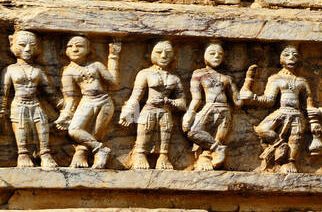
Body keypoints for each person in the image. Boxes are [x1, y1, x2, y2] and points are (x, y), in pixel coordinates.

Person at [241, 45, 319, 172]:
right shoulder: (275, 79)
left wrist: (315, 123)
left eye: (295, 55)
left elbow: (309, 105)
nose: (291, 58)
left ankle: (290, 161)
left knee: (296, 137)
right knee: (262, 129)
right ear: (280, 59)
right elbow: (269, 100)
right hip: (282, 111)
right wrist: (253, 97)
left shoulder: (302, 81)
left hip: (296, 114)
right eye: (287, 55)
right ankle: (280, 145)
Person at [183, 43, 255, 169]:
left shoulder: (227, 77)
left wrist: (248, 82)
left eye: (220, 54)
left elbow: (238, 102)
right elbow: (197, 99)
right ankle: (217, 149)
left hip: (225, 112)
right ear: (204, 55)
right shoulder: (198, 74)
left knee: (215, 140)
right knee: (192, 132)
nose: (216, 56)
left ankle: (211, 155)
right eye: (212, 53)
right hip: (209, 108)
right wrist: (190, 113)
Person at [119, 41, 186, 171]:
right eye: (159, 52)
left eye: (168, 53)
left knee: (166, 128)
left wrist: (170, 102)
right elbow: (136, 96)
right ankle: (139, 154)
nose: (163, 56)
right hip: (148, 109)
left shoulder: (174, 78)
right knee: (145, 128)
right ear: (149, 54)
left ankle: (163, 156)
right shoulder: (145, 73)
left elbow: (183, 103)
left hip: (165, 110)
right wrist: (128, 113)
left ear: (174, 56)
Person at [57, 36, 121, 169]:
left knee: (95, 133)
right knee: (74, 130)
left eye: (79, 46)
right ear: (65, 50)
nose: (74, 49)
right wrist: (66, 114)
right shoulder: (68, 72)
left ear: (88, 49)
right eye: (70, 46)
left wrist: (113, 57)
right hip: (86, 101)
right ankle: (100, 149)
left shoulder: (96, 65)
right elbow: (70, 97)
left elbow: (113, 82)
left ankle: (86, 154)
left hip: (104, 101)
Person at [2, 30, 59, 170]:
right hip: (19, 104)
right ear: (11, 43)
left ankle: (45, 154)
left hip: (35, 104)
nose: (28, 49)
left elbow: (50, 92)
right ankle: (23, 154)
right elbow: (3, 92)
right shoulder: (10, 69)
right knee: (20, 127)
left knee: (42, 125)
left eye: (32, 45)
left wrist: (64, 106)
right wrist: (2, 108)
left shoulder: (38, 70)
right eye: (22, 45)